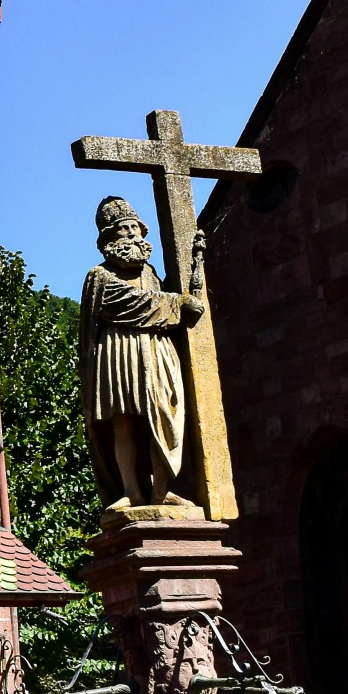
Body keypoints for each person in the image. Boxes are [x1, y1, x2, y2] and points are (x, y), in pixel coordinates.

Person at [79, 196, 206, 512]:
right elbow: (130, 303)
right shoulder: (100, 275)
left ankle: (162, 490)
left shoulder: (150, 272)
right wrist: (177, 304)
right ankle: (132, 490)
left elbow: (157, 301)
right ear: (110, 237)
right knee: (123, 424)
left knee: (161, 418)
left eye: (137, 228)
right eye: (125, 230)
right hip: (118, 352)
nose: (134, 235)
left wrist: (181, 299)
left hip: (156, 350)